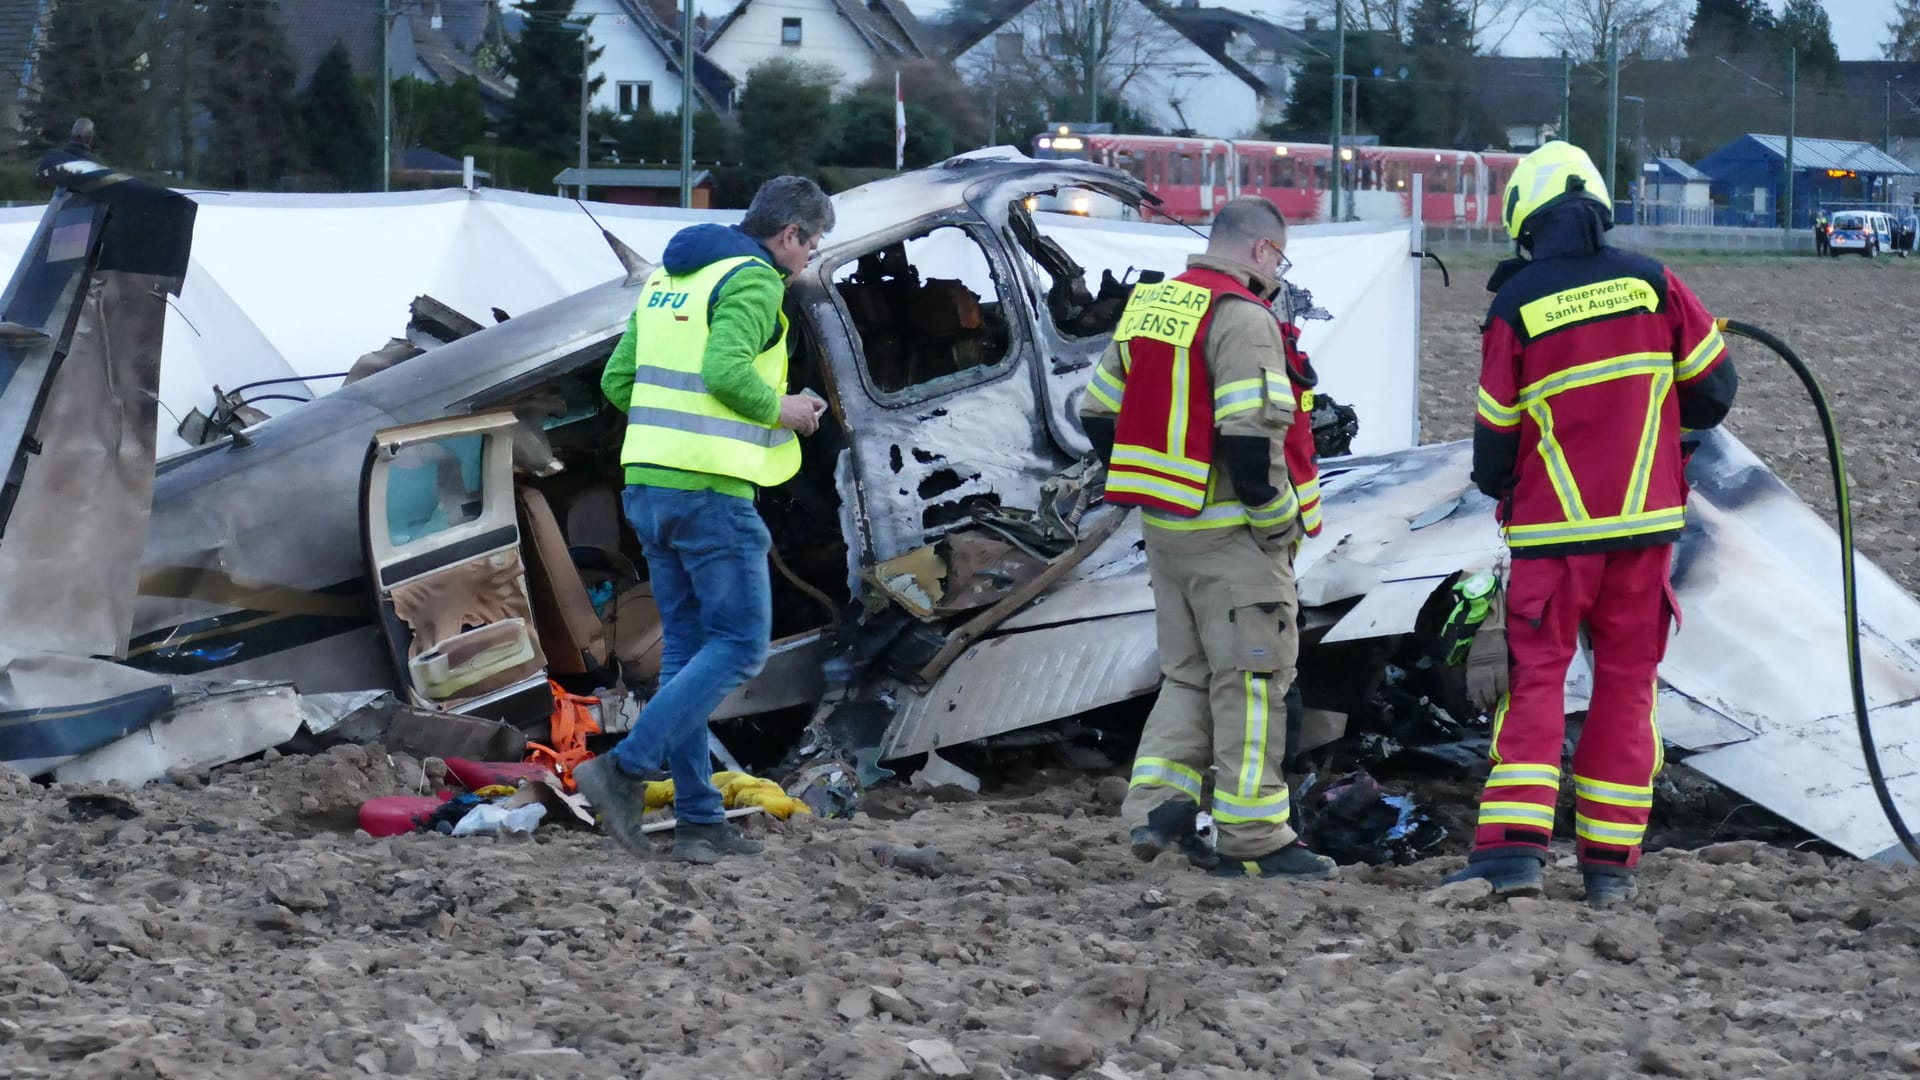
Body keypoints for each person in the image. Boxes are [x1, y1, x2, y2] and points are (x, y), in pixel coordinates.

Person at [1447, 141, 1737, 909]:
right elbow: (1715, 389)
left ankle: (1512, 854)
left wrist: (1512, 483)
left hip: (1552, 537)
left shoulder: (1515, 306)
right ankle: (1610, 865)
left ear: (1526, 224)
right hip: (1645, 532)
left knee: (1538, 680)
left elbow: (1492, 448)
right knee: (1626, 685)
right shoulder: (1651, 282)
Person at [574, 176, 833, 864]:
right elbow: (724, 372)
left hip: (648, 487)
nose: (810, 259)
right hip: (710, 495)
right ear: (789, 236)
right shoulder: (754, 280)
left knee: (687, 654)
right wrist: (787, 410)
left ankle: (698, 820)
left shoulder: (670, 278)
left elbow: (619, 382)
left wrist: (673, 435)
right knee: (742, 645)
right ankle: (624, 771)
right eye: (813, 244)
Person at [1079, 197, 1335, 881]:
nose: (1280, 274)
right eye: (1280, 258)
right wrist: (1276, 522)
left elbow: (1097, 409)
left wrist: (1156, 482)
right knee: (1253, 681)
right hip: (1233, 541)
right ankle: (1253, 836)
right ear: (1261, 252)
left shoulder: (1154, 307)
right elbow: (1251, 442)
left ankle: (1155, 807)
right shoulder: (1246, 319)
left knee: (1188, 674)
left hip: (1167, 533)